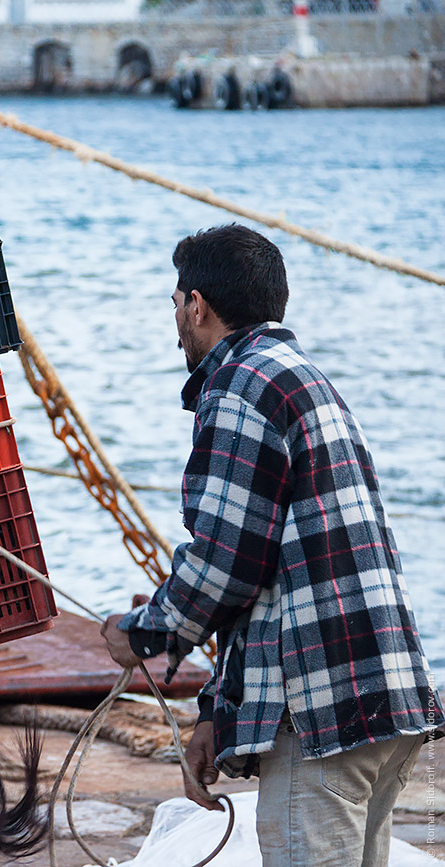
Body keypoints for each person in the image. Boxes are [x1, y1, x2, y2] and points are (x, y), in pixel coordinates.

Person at [99, 224, 440, 867]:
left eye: (174, 304)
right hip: (379, 694)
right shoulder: (299, 376)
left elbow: (226, 563)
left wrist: (145, 633)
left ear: (196, 304)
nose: (174, 321)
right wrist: (214, 715)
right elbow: (272, 580)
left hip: (322, 714)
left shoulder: (240, 387)